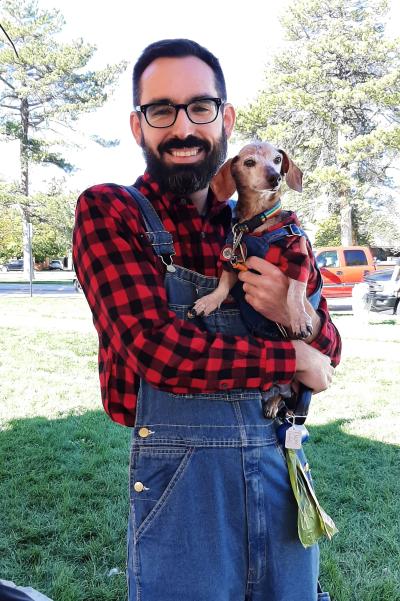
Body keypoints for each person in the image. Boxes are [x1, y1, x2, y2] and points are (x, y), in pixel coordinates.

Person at [73, 39, 341, 601]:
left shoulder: (272, 231)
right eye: (161, 110)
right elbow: (158, 352)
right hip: (181, 484)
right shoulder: (110, 211)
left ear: (226, 117)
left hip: (280, 462)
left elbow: (331, 351)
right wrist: (292, 355)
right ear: (137, 125)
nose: (183, 128)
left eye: (200, 107)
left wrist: (299, 318)